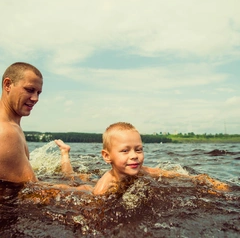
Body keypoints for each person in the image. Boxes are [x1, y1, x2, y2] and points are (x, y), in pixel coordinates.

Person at [54, 122, 229, 195]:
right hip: (88, 190)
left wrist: (204, 181)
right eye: (125, 151)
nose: (134, 156)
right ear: (107, 156)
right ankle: (65, 153)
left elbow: (170, 174)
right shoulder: (105, 186)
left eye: (138, 149)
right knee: (71, 182)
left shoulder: (143, 170)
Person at [0, 62, 43, 183]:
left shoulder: (12, 126)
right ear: (8, 85)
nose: (35, 98)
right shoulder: (6, 133)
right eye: (29, 90)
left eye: (38, 93)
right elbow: (34, 191)